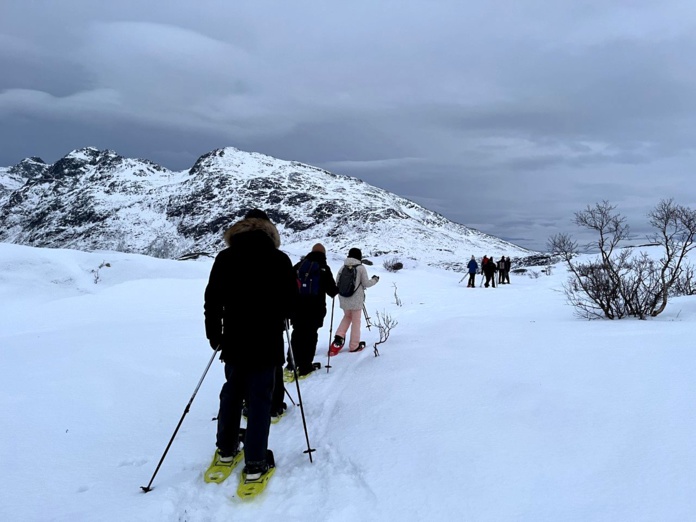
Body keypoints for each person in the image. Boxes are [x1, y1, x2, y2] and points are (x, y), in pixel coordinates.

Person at [204, 209, 297, 482]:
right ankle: (255, 462)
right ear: (269, 231)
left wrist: (214, 335)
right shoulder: (279, 259)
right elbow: (291, 304)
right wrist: (280, 315)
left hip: (233, 338)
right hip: (266, 340)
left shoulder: (226, 257)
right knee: (259, 400)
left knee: (231, 394)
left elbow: (212, 300)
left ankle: (226, 450)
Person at [286, 243, 338, 379]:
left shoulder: (298, 266)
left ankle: (291, 365)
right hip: (315, 310)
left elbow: (288, 287)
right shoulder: (323, 269)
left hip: (297, 309)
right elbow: (332, 291)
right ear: (324, 255)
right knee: (310, 336)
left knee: (297, 335)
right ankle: (305, 366)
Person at [330, 248, 379, 353]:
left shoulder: (343, 267)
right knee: (356, 321)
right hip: (356, 300)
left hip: (343, 298)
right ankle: (354, 345)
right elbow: (366, 283)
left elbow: (337, 282)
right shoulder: (361, 268)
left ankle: (339, 337)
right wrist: (375, 280)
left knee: (347, 317)